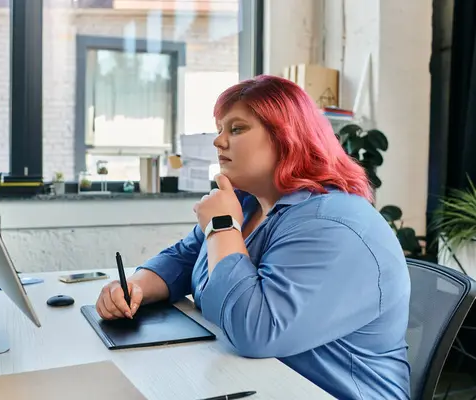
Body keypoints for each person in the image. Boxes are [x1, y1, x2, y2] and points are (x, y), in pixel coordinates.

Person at [95, 75, 411, 399]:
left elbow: (257, 332)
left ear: (287, 136)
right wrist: (135, 287)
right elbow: (183, 256)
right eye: (219, 130)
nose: (219, 142)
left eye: (236, 129)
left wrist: (221, 226)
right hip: (255, 381)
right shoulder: (249, 204)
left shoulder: (332, 223)